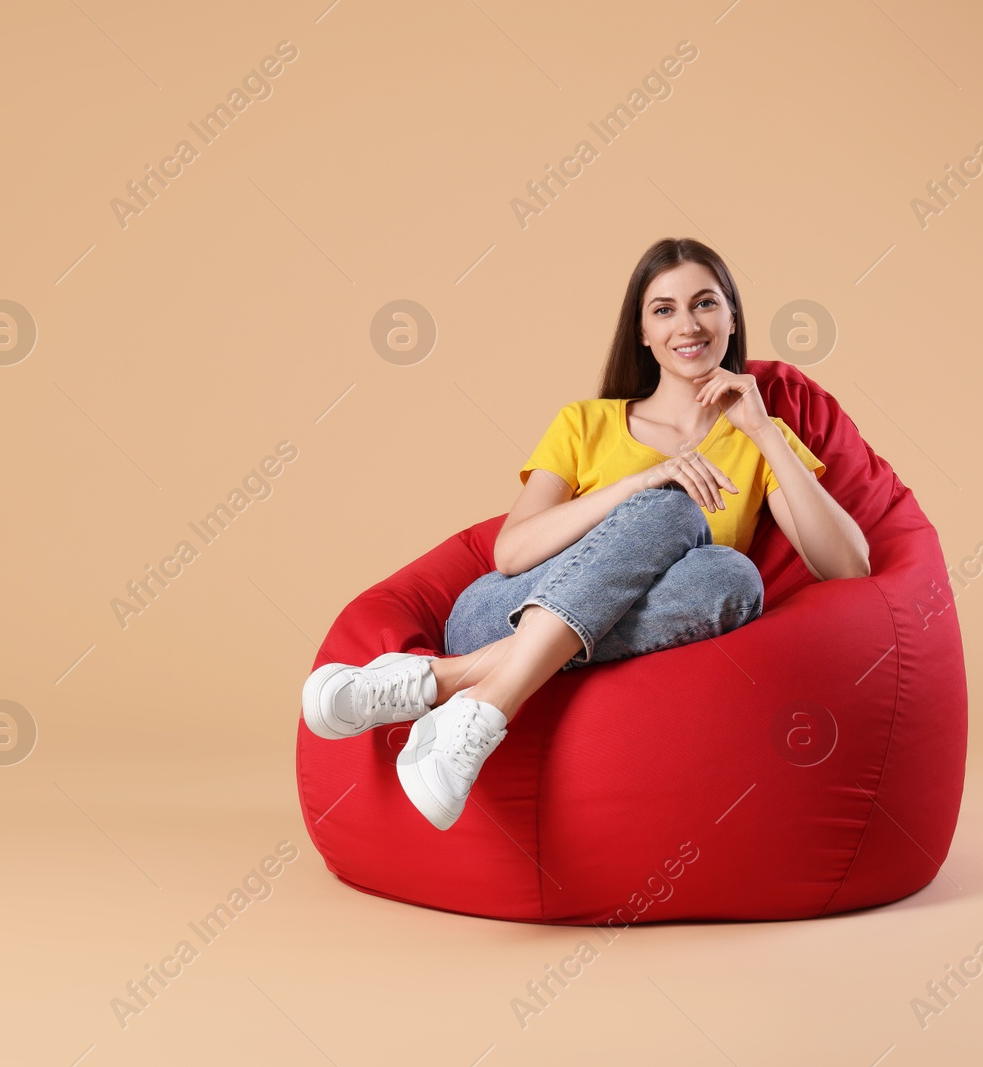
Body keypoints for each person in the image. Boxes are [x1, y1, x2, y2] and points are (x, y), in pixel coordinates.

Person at [301, 237, 871, 830]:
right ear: (643, 333)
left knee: (732, 577)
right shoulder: (585, 422)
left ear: (731, 316)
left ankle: (442, 683)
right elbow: (512, 550)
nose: (688, 324)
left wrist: (763, 430)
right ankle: (487, 703)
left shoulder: (757, 441)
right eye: (664, 309)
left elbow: (850, 566)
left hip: (629, 630)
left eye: (705, 303)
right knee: (673, 506)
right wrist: (641, 484)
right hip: (499, 614)